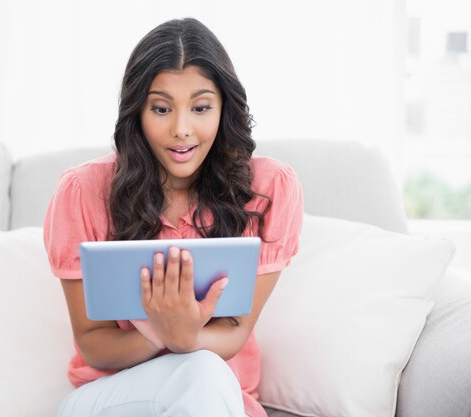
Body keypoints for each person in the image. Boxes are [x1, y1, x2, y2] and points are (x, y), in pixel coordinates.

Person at [43, 17, 303, 417]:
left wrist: (184, 338)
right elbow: (93, 343)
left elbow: (236, 331)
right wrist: (162, 336)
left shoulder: (270, 188)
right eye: (161, 109)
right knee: (201, 370)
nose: (182, 129)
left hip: (215, 395)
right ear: (138, 112)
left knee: (203, 371)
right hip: (114, 396)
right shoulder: (82, 191)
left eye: (200, 107)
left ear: (223, 108)